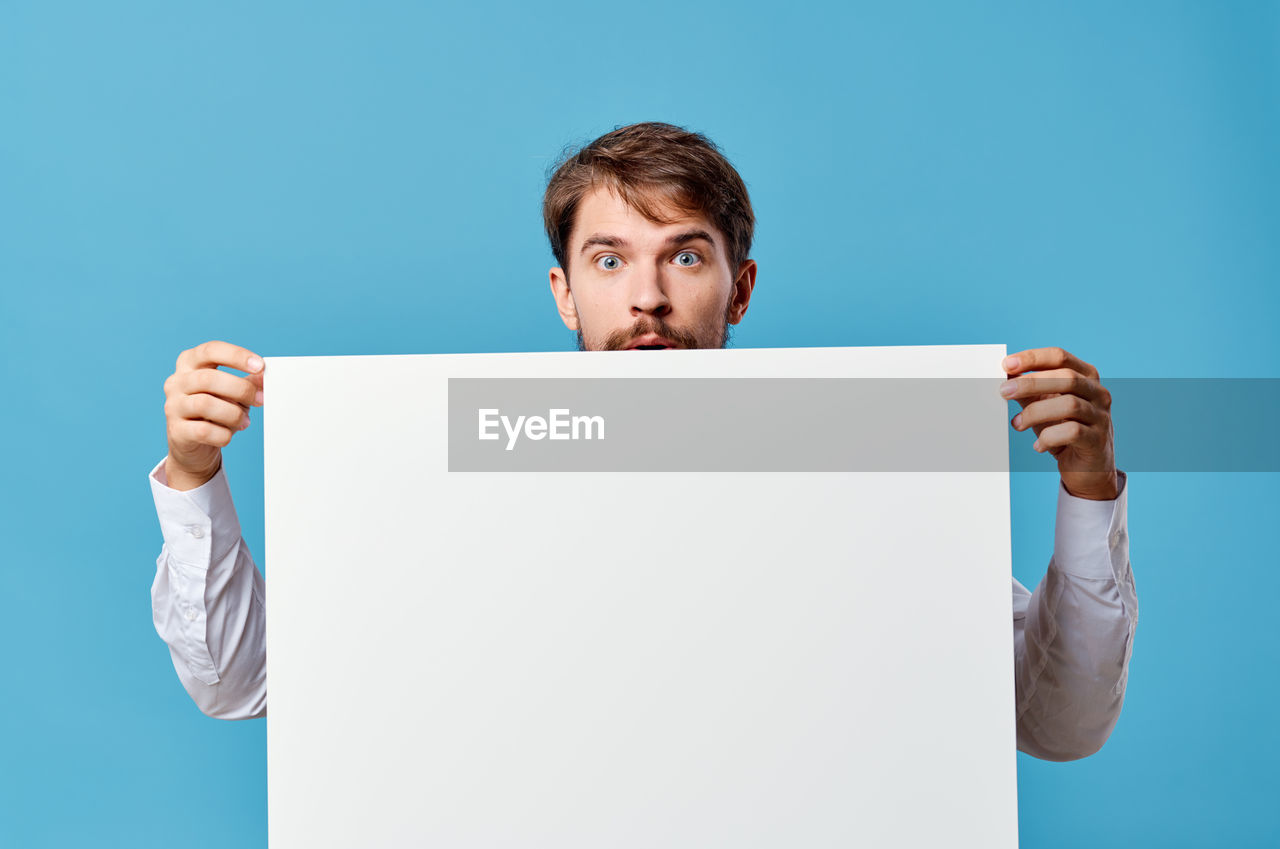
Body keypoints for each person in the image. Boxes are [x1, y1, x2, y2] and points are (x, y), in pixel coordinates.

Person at [149, 122, 1138, 762]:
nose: (647, 296)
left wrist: (1086, 492)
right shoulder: (442, 478)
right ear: (563, 293)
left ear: (738, 288)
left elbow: (1056, 725)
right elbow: (241, 684)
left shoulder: (857, 476)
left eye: (685, 257)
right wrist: (196, 477)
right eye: (609, 258)